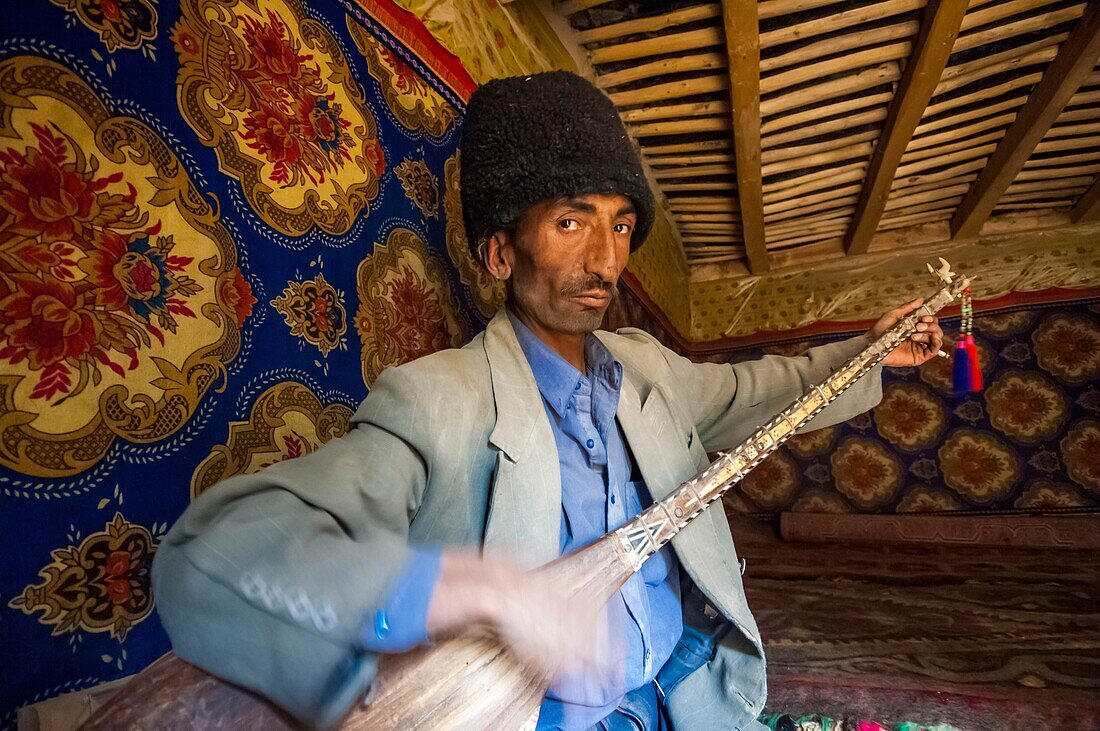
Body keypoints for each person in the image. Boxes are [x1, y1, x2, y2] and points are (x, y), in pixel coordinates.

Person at [152, 71, 944, 731]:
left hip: (696, 693)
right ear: (501, 251)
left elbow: (771, 390)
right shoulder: (439, 401)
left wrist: (872, 350)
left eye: (621, 225)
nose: (606, 259)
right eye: (572, 221)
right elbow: (215, 559)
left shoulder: (648, 368)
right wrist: (473, 590)